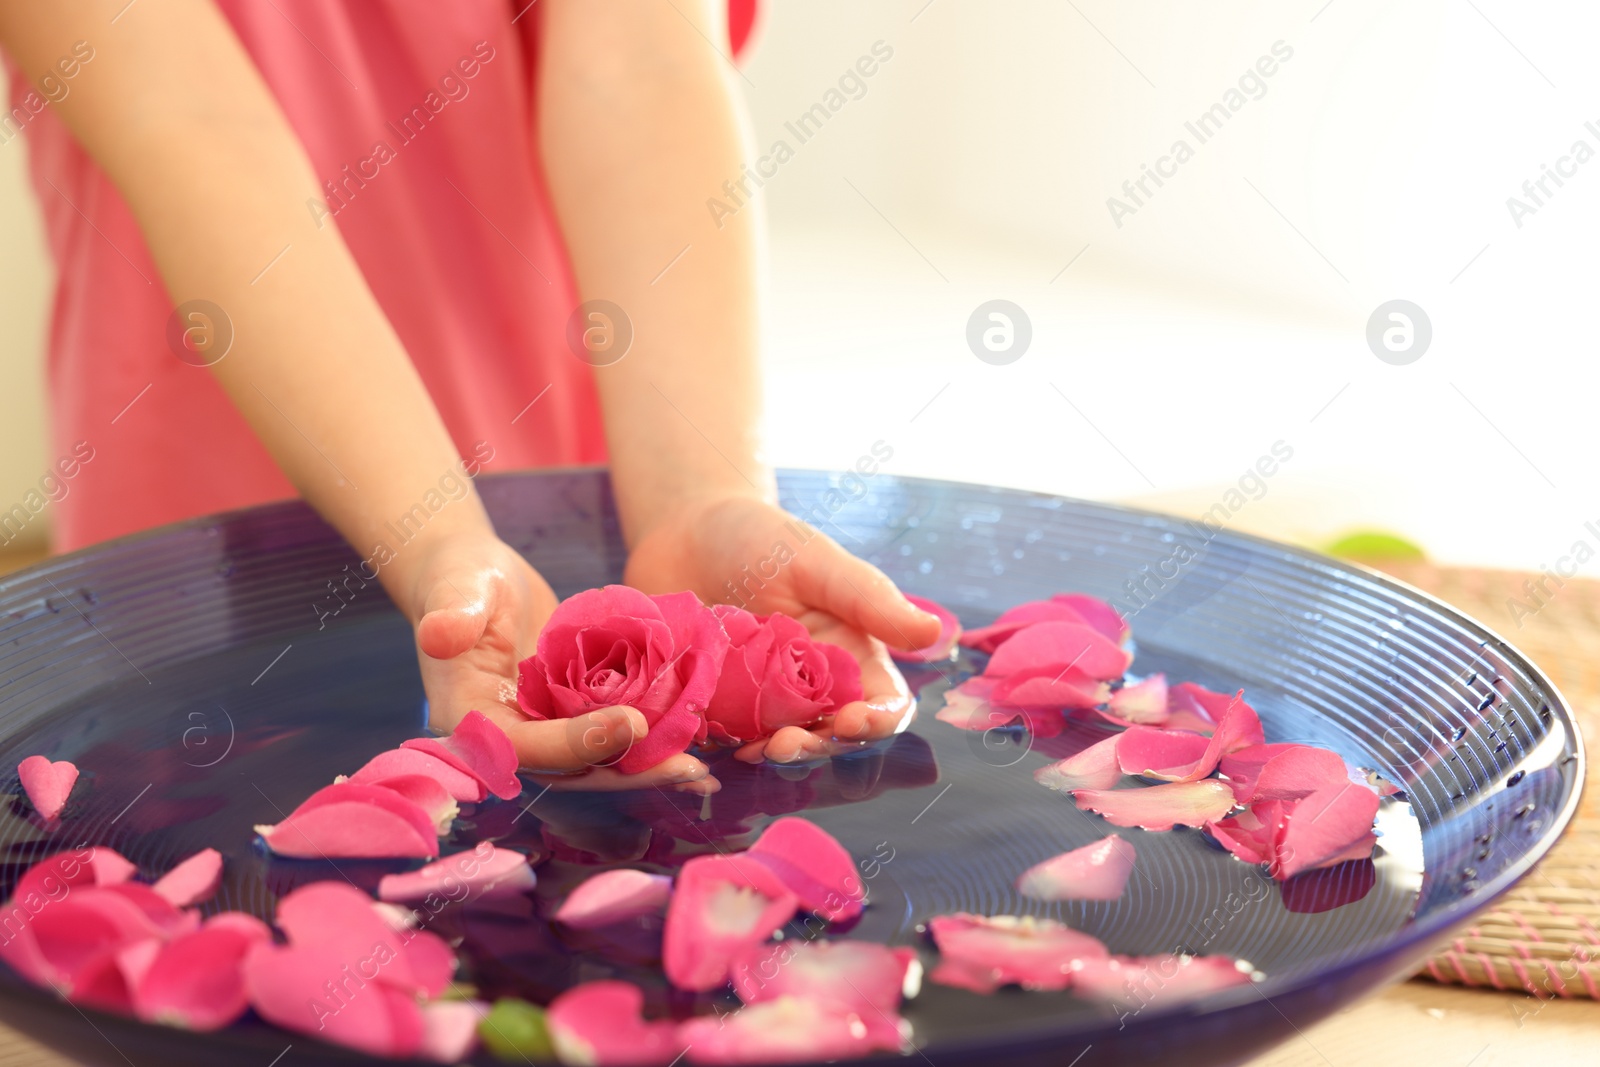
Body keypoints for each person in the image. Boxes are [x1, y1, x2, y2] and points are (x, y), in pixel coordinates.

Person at [0, 0, 940, 794]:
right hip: (214, 535)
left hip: (545, 516)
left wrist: (701, 494)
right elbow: (190, 121)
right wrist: (435, 537)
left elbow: (638, 64)